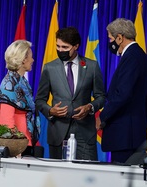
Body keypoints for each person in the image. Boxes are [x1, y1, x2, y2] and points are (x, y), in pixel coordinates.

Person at [35, 27, 105, 160]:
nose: (60, 50)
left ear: (76, 46)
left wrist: (89, 107)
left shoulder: (91, 66)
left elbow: (101, 97)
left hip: (85, 133)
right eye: (58, 46)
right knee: (57, 177)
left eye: (65, 47)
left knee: (85, 176)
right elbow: (39, 100)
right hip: (58, 133)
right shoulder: (49, 68)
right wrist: (50, 111)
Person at [96, 18, 147, 163]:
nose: (110, 43)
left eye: (110, 38)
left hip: (125, 135)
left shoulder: (131, 57)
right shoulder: (141, 56)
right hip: (133, 133)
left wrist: (102, 117)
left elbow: (122, 94)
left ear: (119, 37)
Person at [0, 40, 40, 149]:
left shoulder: (22, 82)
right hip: (17, 146)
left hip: (26, 142)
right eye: (31, 57)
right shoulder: (9, 84)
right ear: (24, 60)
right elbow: (6, 121)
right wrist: (13, 147)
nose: (33, 60)